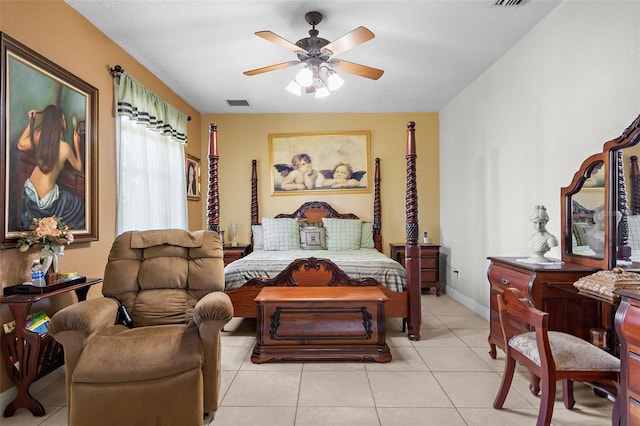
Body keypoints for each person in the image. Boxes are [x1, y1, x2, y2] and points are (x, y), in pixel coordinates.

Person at [17, 105, 85, 230]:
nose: (65, 122)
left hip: (29, 192)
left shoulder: (39, 136)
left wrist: (31, 122)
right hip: (46, 200)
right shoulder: (65, 147)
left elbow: (20, 144)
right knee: (78, 204)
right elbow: (79, 168)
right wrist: (76, 144)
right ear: (59, 122)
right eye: (63, 119)